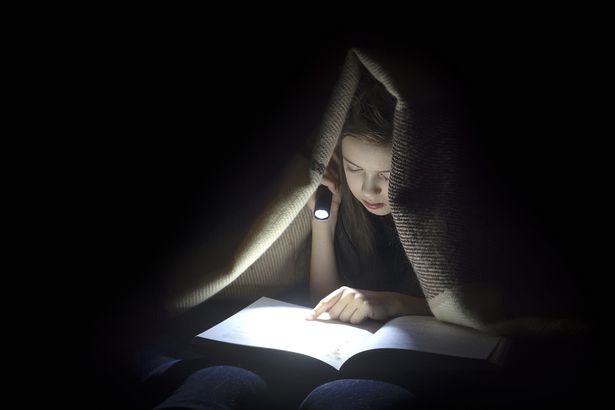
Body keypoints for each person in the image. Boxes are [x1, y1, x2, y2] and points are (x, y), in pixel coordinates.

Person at [306, 72, 431, 324]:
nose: (368, 190)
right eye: (355, 169)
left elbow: (482, 310)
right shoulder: (346, 205)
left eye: (387, 175)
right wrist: (323, 224)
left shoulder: (439, 218)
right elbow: (322, 306)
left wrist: (393, 303)